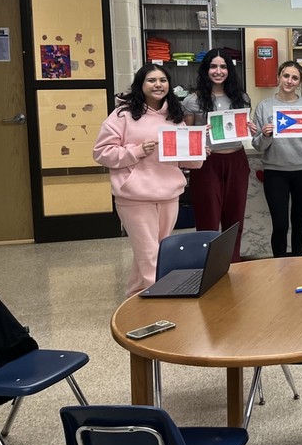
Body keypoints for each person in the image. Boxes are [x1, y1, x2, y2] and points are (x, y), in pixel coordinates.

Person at [93, 64, 203, 297]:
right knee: (149, 254)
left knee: (157, 252)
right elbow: (101, 152)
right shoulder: (122, 115)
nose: (158, 85)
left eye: (163, 80)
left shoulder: (175, 116)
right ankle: (163, 299)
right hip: (134, 196)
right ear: (140, 85)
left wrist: (198, 151)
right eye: (151, 80)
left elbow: (183, 159)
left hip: (168, 194)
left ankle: (134, 297)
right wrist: (137, 151)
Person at [182, 48, 254, 262]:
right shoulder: (192, 100)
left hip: (236, 160)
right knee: (208, 219)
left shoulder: (241, 97)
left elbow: (244, 129)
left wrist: (251, 128)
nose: (218, 71)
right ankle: (209, 266)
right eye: (213, 66)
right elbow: (187, 137)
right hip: (207, 163)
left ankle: (234, 262)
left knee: (235, 218)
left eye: (223, 66)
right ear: (206, 69)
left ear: (229, 70)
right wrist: (198, 134)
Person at [252, 60, 302, 257]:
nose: (289, 81)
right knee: (280, 225)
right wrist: (265, 135)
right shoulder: (264, 107)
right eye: (286, 76)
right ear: (278, 77)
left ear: (300, 82)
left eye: (295, 78)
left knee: (299, 222)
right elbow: (258, 145)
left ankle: (297, 263)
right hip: (275, 172)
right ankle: (278, 265)